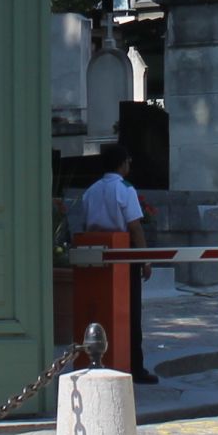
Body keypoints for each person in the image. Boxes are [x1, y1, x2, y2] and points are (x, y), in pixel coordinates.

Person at [76, 147, 158, 384]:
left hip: (95, 253)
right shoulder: (124, 189)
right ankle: (135, 366)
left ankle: (100, 358)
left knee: (99, 308)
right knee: (129, 312)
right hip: (123, 253)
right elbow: (135, 227)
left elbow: (84, 223)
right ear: (122, 163)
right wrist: (145, 259)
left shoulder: (90, 191)